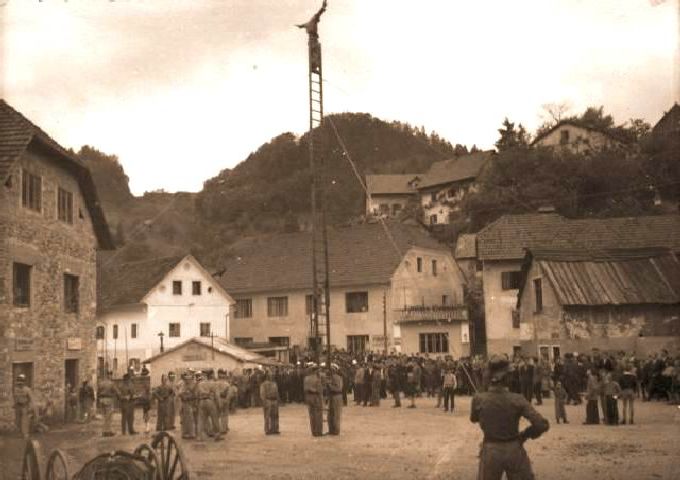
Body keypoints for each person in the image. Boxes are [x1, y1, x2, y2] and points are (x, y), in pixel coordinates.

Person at [470, 355, 549, 480]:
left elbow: (474, 418)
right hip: (514, 449)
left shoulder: (479, 399)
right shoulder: (517, 399)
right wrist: (524, 435)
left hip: (490, 450)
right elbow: (541, 424)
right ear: (507, 378)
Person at [196, 371, 223, 441]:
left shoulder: (200, 384)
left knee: (201, 420)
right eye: (213, 374)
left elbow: (197, 394)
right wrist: (219, 405)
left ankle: (199, 436)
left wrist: (197, 403)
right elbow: (217, 395)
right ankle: (217, 435)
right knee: (215, 419)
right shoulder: (214, 383)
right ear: (211, 375)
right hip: (210, 401)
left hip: (202, 401)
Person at [304, 364, 324, 437]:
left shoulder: (306, 378)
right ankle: (318, 431)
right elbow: (320, 390)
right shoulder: (317, 379)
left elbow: (305, 389)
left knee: (311, 415)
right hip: (316, 397)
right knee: (318, 415)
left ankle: (313, 431)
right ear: (315, 371)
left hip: (309, 397)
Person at [260, 369, 280, 435]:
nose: (272, 376)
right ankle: (267, 430)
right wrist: (264, 401)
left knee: (275, 416)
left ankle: (275, 429)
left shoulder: (275, 383)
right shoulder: (263, 384)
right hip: (268, 400)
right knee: (267, 416)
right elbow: (262, 394)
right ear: (267, 375)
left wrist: (278, 400)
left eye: (272, 374)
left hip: (275, 401)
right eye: (270, 374)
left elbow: (277, 392)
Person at [97, 371, 117, 437]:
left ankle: (103, 431)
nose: (111, 377)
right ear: (109, 375)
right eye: (111, 375)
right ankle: (108, 431)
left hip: (101, 400)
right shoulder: (111, 383)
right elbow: (116, 391)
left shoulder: (101, 383)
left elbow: (98, 392)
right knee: (109, 417)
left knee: (103, 416)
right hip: (109, 400)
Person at [178, 371, 197, 439]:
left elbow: (194, 395)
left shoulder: (192, 385)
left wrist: (190, 396)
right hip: (185, 404)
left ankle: (191, 433)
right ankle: (185, 433)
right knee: (185, 419)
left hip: (190, 403)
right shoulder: (183, 385)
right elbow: (180, 394)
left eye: (189, 379)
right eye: (186, 379)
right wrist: (185, 396)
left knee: (191, 419)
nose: (188, 380)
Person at [328, 364, 344, 435]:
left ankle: (336, 430)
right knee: (330, 414)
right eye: (331, 369)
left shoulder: (337, 378)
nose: (331, 371)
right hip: (332, 396)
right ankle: (331, 430)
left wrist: (329, 385)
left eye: (333, 369)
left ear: (335, 370)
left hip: (336, 396)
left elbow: (338, 388)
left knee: (336, 414)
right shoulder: (331, 377)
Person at [216, 369, 231, 434]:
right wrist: (227, 400)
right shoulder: (227, 384)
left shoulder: (215, 383)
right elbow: (229, 393)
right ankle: (224, 428)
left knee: (218, 415)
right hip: (224, 399)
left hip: (218, 399)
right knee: (225, 415)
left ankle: (219, 428)